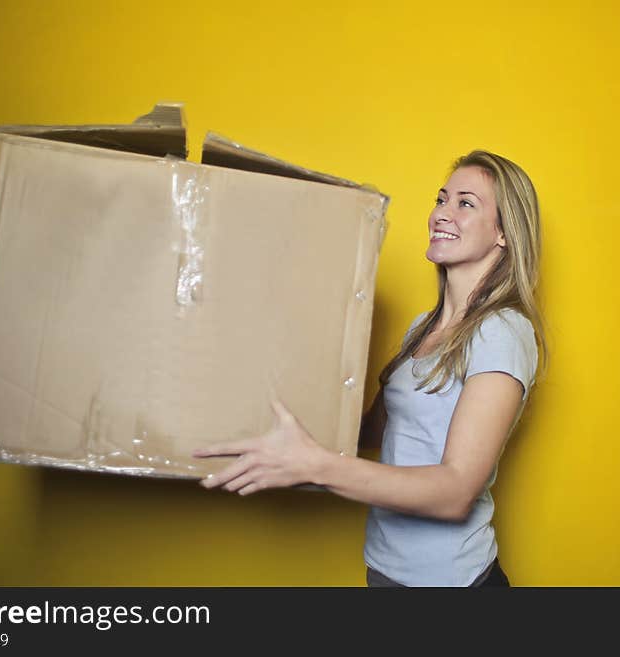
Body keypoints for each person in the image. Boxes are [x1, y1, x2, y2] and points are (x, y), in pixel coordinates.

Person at [193, 149, 547, 587]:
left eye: (465, 203)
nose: (442, 213)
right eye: (441, 199)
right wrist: (264, 414)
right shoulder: (424, 328)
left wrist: (314, 466)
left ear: (504, 234)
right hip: (385, 570)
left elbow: (456, 492)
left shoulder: (502, 332)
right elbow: (372, 432)